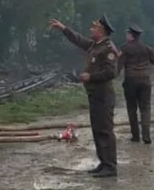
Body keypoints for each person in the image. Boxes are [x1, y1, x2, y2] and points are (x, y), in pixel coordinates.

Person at [49, 15, 120, 178]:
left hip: (103, 94)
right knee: (97, 130)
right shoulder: (96, 45)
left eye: (94, 28)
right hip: (95, 94)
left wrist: (91, 77)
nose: (91, 30)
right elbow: (79, 40)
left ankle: (110, 166)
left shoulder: (108, 48)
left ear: (101, 32)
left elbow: (111, 72)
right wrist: (64, 29)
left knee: (105, 130)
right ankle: (103, 163)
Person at [118, 24, 154, 144]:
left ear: (131, 36)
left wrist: (110, 76)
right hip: (145, 80)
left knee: (132, 108)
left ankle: (135, 136)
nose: (126, 36)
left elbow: (118, 66)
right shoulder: (147, 48)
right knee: (145, 108)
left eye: (127, 34)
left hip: (130, 81)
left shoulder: (124, 48)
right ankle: (146, 136)